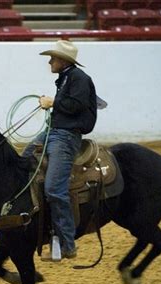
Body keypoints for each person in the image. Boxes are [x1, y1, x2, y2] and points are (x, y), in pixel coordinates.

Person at [22, 40, 97, 261]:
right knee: (23, 159)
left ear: (63, 60)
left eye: (53, 58)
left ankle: (67, 243)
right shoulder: (66, 79)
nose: (50, 61)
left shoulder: (79, 79)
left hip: (65, 137)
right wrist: (54, 102)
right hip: (53, 132)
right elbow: (69, 104)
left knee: (55, 188)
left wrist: (53, 102)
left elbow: (77, 106)